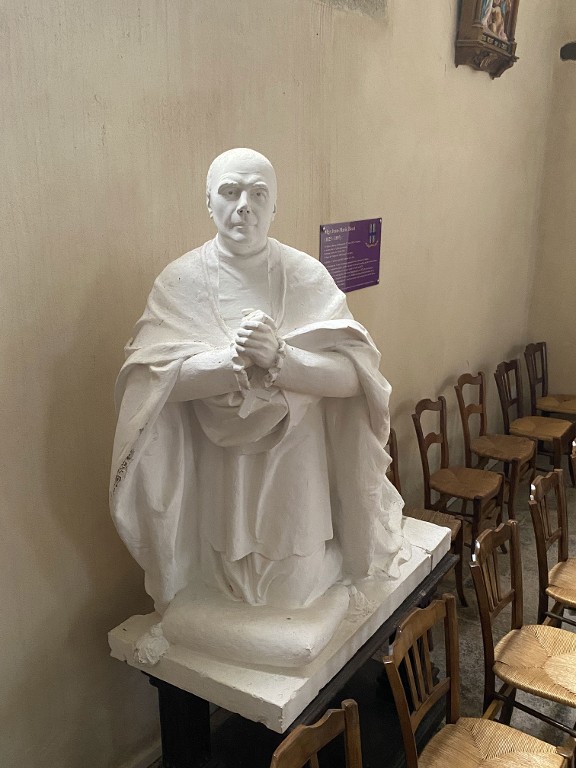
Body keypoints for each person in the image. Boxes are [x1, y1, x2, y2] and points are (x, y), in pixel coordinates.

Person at [110, 148, 406, 614]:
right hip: (221, 469)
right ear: (209, 201)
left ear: (274, 206)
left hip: (294, 466)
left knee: (294, 588)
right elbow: (147, 386)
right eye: (230, 192)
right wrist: (229, 362)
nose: (243, 205)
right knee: (227, 585)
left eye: (258, 194)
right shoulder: (179, 283)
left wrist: (281, 358)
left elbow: (356, 378)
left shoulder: (306, 277)